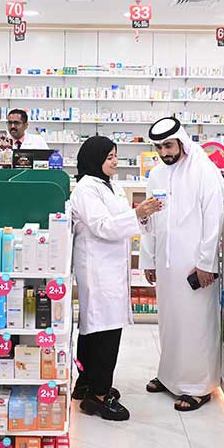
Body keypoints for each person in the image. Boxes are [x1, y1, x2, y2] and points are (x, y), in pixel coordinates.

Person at [70, 136, 162, 421]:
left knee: (95, 328)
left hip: (110, 267)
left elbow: (123, 220)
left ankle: (85, 384)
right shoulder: (86, 188)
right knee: (104, 332)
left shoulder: (110, 185)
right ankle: (98, 397)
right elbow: (103, 226)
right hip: (98, 268)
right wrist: (137, 214)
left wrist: (142, 215)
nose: (115, 161)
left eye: (115, 156)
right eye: (109, 157)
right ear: (94, 159)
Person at [140, 116, 224, 412]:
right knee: (170, 323)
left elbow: (213, 219)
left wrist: (206, 263)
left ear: (182, 142)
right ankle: (170, 376)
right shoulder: (156, 175)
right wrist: (148, 258)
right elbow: (150, 221)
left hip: (194, 265)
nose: (164, 152)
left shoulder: (204, 171)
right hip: (166, 263)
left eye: (168, 146)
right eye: (159, 147)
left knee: (196, 324)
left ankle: (198, 386)